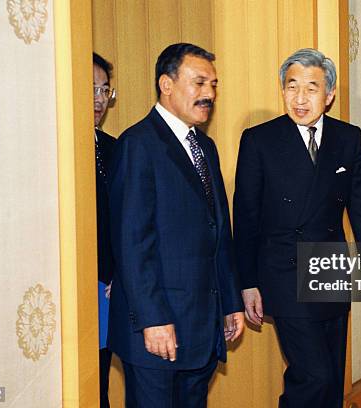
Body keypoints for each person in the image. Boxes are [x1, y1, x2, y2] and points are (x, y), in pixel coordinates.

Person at [233, 48, 361, 408]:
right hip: (283, 272)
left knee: (331, 379)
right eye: (292, 87)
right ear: (282, 90)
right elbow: (246, 215)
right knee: (312, 376)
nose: (300, 98)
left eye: (311, 88)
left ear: (329, 95)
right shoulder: (259, 140)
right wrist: (246, 281)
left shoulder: (348, 139)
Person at [107, 43, 244, 408]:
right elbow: (132, 243)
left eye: (214, 84)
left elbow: (219, 232)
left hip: (201, 325)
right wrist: (152, 320)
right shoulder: (138, 145)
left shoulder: (205, 146)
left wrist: (230, 302)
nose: (209, 94)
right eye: (198, 83)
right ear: (166, 84)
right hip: (157, 328)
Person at [93, 51, 117, 408]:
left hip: (112, 285)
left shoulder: (115, 147)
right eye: (91, 89)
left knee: (102, 376)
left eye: (104, 90)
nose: (99, 99)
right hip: (78, 284)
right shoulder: (57, 148)